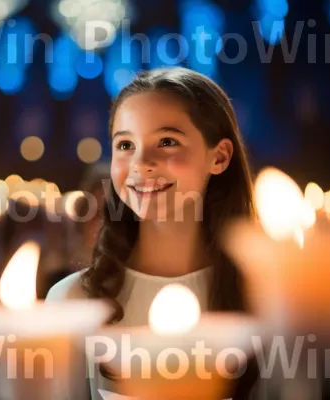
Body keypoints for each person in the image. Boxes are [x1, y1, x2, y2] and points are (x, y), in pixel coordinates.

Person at [46, 67, 258, 399]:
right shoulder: (73, 303)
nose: (141, 163)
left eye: (167, 141)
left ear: (219, 156)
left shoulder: (266, 302)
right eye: (126, 144)